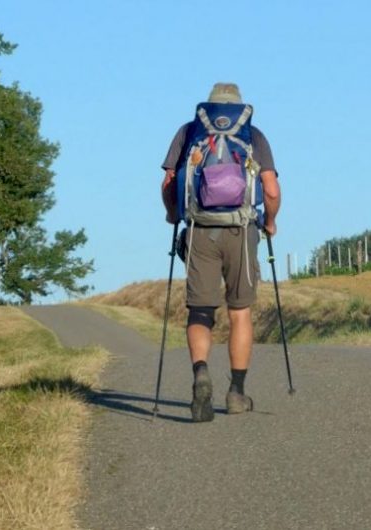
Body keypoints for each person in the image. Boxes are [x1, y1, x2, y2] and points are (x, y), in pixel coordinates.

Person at [160, 82, 281, 422]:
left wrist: (174, 216)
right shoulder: (253, 135)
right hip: (241, 231)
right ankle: (237, 393)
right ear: (237, 106)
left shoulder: (189, 132)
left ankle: (200, 373)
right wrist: (270, 222)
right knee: (239, 311)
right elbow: (270, 189)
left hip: (200, 229)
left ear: (209, 106)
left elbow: (169, 182)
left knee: (200, 311)